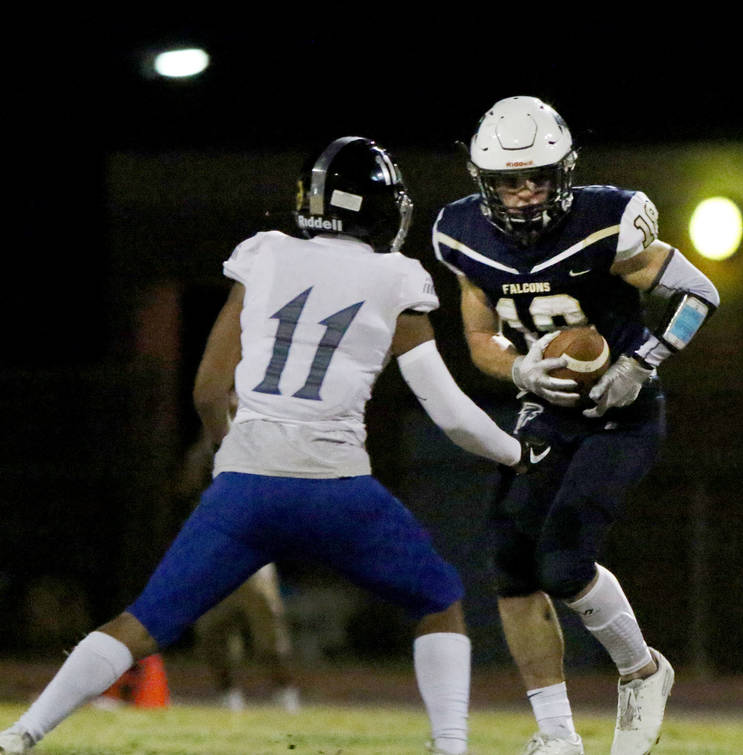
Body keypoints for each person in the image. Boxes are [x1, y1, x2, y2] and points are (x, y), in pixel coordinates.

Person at [0, 136, 542, 755]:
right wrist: (517, 455)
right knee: (439, 599)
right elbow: (448, 413)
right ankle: (450, 746)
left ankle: (22, 733)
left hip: (246, 487)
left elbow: (208, 388)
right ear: (376, 207)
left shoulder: (265, 254)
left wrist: (232, 457)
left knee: (142, 623)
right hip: (339, 489)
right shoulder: (396, 276)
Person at [432, 96, 720, 755]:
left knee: (563, 560)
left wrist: (642, 363)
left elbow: (701, 291)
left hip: (621, 417)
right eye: (510, 180)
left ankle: (643, 670)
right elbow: (480, 336)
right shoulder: (460, 233)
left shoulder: (603, 221)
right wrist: (519, 372)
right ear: (485, 182)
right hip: (547, 414)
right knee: (510, 564)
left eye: (538, 176)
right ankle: (558, 734)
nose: (527, 193)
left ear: (565, 172)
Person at [178, 417, 300, 712]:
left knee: (268, 630)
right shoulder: (202, 452)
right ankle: (227, 696)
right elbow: (185, 487)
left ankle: (285, 693)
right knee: (212, 631)